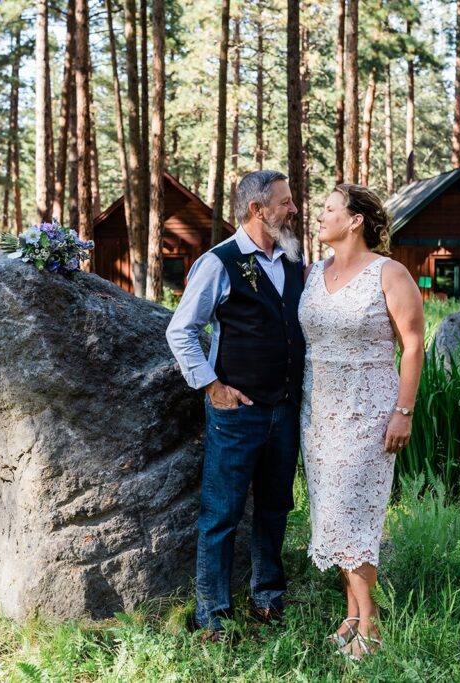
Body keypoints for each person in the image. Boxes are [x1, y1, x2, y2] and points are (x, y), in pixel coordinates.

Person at [165, 169, 304, 641]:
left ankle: (267, 595)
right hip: (236, 413)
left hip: (284, 411)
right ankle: (213, 613)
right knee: (221, 513)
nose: (293, 209)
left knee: (274, 507)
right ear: (257, 210)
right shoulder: (218, 262)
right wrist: (212, 386)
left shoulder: (291, 261)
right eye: (285, 202)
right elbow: (181, 330)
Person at [298, 183, 424, 659]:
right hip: (318, 412)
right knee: (331, 515)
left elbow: (412, 345)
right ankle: (350, 616)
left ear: (355, 221)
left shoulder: (389, 274)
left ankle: (368, 625)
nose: (319, 216)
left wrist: (403, 412)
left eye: (328, 209)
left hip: (369, 412)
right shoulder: (314, 273)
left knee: (355, 517)